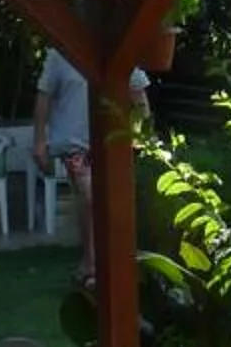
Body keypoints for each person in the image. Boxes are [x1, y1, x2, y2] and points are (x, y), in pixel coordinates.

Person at [30, 47, 147, 271]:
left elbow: (139, 94)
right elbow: (43, 97)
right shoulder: (59, 54)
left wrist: (140, 134)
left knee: (110, 202)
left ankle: (106, 261)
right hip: (74, 145)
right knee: (90, 197)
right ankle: (92, 264)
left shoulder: (117, 48)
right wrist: (39, 142)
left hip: (111, 143)